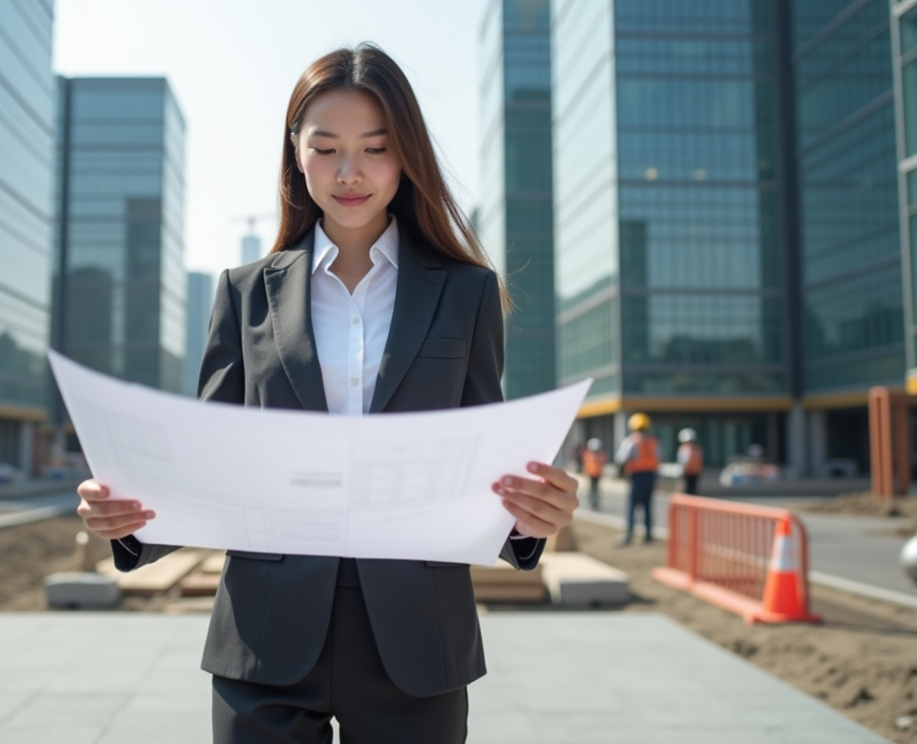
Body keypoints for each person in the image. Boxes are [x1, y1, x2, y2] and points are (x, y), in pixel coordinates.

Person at [74, 44, 579, 744]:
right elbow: (207, 465)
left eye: (375, 148)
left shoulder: (466, 294)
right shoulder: (243, 292)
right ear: (295, 152)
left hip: (416, 640)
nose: (350, 173)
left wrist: (532, 515)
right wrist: (130, 519)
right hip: (264, 639)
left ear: (406, 156)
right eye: (328, 148)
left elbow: (482, 466)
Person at [615, 412, 659, 546]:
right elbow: (659, 457)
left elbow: (621, 459)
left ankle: (628, 535)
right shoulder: (653, 441)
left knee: (632, 506)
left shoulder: (630, 441)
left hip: (636, 476)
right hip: (650, 475)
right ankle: (648, 535)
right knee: (647, 505)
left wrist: (620, 473)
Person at [582, 437, 607, 511]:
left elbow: (602, 463)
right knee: (591, 488)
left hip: (598, 474)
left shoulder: (601, 454)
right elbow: (586, 464)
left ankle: (596, 501)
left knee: (596, 488)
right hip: (590, 474)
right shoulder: (588, 454)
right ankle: (592, 501)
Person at [677, 428, 703, 496]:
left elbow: (683, 461)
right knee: (692, 490)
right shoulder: (697, 448)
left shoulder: (684, 448)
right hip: (693, 472)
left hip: (689, 472)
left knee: (688, 491)